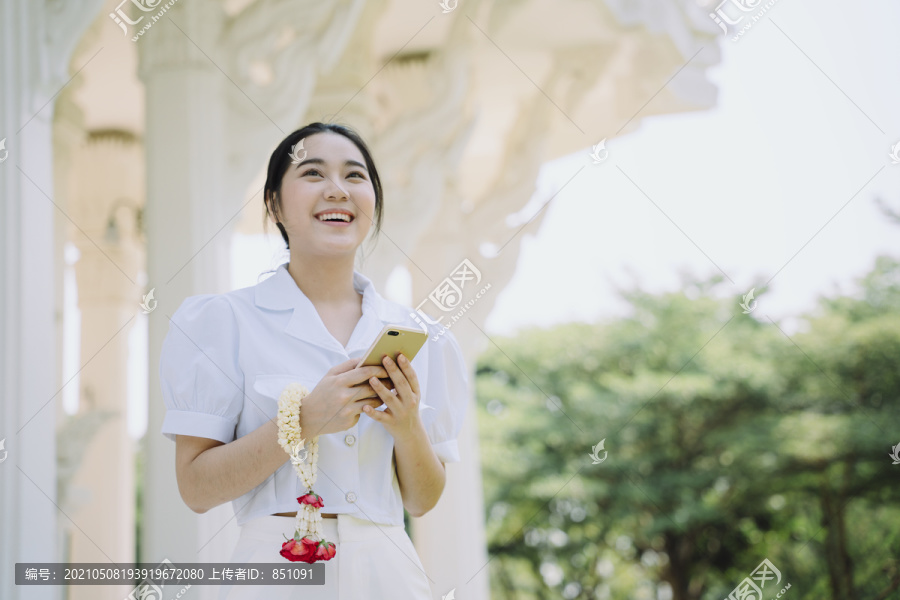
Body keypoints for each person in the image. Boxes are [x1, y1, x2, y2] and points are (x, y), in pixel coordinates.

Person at [158, 122, 469, 599]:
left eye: (355, 176)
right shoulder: (224, 322)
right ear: (275, 204)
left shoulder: (423, 336)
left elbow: (422, 500)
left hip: (389, 574)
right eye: (313, 173)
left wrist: (407, 427)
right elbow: (196, 490)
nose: (337, 190)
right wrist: (301, 420)